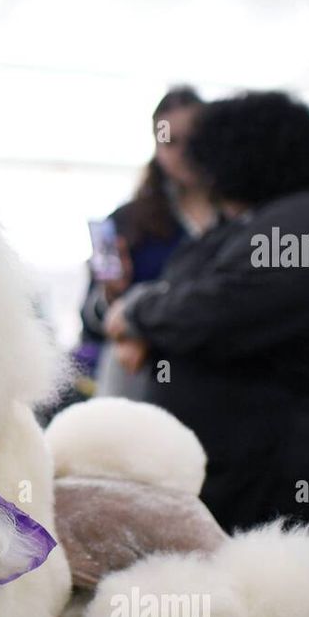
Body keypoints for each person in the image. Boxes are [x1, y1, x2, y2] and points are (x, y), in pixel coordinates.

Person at [104, 91, 309, 535]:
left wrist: (139, 313)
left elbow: (215, 308)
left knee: (266, 599)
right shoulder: (287, 220)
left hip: (272, 475)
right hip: (251, 469)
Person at [80, 87, 215, 399]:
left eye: (192, 138)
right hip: (139, 384)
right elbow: (89, 319)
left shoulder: (239, 221)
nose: (181, 152)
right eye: (170, 141)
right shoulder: (125, 223)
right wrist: (112, 294)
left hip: (214, 388)